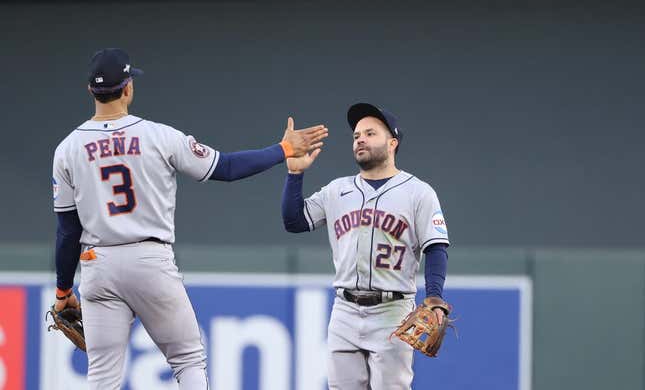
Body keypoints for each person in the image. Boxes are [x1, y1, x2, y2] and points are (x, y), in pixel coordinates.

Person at [51, 47, 328, 389]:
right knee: (187, 359)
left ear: (90, 91)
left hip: (98, 263)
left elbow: (67, 231)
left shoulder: (67, 149)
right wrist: (283, 149)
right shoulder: (158, 136)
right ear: (128, 88)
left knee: (102, 374)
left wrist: (64, 289)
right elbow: (225, 168)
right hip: (148, 258)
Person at [281, 102, 450, 389]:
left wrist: (434, 298)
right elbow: (295, 221)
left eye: (370, 133)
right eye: (356, 135)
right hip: (344, 309)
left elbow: (436, 247)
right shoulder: (337, 190)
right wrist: (295, 175)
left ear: (392, 142)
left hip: (392, 310)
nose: (360, 139)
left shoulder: (418, 192)